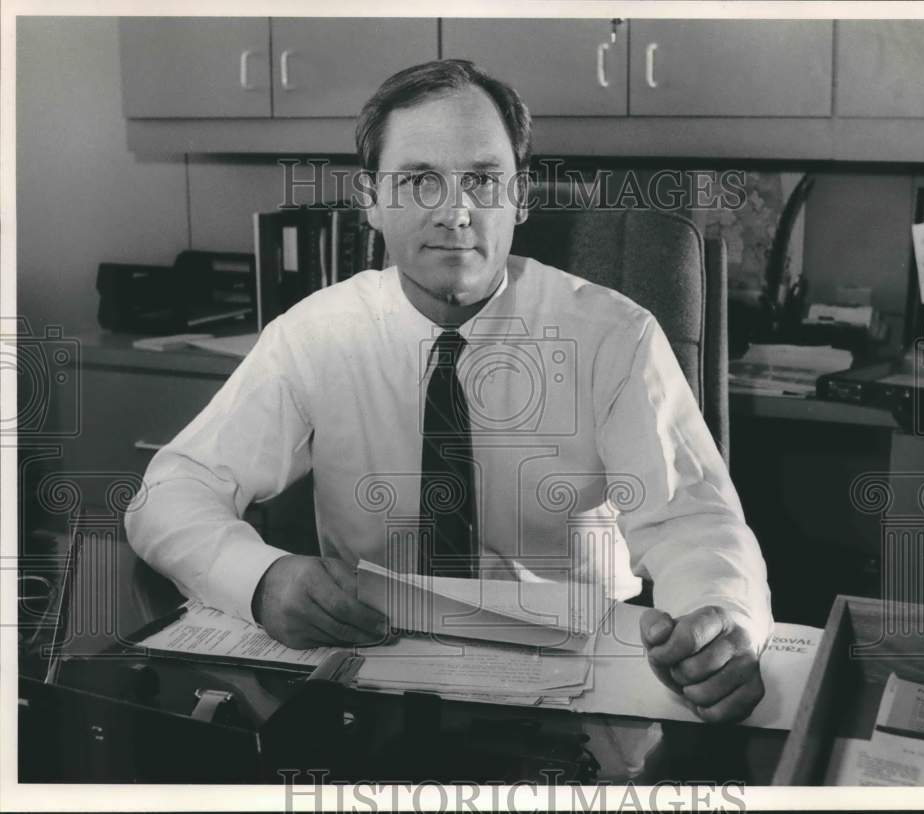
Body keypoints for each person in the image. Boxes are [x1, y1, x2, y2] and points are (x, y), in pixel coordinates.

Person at [126, 59, 772, 723]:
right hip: (374, 675)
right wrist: (260, 580)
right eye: (418, 180)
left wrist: (719, 623)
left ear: (521, 196)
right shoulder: (315, 335)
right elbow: (170, 492)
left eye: (483, 180)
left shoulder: (614, 337)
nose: (455, 212)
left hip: (579, 686)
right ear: (370, 199)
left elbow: (694, 524)